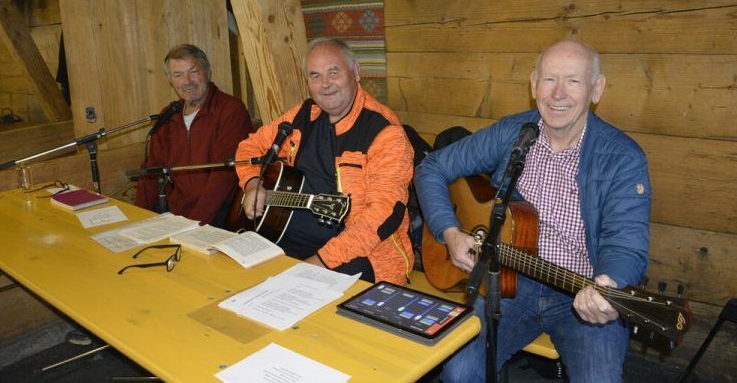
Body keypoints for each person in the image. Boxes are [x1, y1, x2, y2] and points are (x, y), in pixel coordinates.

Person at [415, 39, 651, 382]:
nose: (558, 93)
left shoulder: (622, 158)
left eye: (573, 81)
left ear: (596, 89)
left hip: (581, 290)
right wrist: (449, 231)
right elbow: (431, 168)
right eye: (549, 79)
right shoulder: (514, 133)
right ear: (533, 84)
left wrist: (608, 284)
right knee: (459, 372)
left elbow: (626, 243)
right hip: (508, 281)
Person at [235, 37, 414, 284]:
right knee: (231, 274)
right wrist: (252, 183)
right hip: (282, 235)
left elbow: (381, 215)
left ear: (356, 72)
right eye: (315, 76)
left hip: (359, 254)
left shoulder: (384, 132)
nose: (325, 84)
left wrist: (318, 262)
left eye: (333, 72)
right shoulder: (304, 116)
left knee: (294, 292)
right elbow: (249, 147)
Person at [135, 44, 253, 227]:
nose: (187, 81)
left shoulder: (230, 110)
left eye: (193, 71)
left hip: (219, 213)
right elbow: (151, 172)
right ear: (171, 81)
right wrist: (138, 219)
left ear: (208, 72)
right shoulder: (168, 115)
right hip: (175, 212)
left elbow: (223, 177)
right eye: (178, 75)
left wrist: (192, 226)